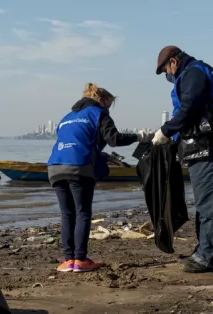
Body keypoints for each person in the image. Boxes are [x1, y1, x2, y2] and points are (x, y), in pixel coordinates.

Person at [152, 45, 213, 273]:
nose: (168, 76)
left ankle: (209, 256)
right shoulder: (202, 71)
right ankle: (204, 249)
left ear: (173, 62)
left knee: (210, 203)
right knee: (211, 201)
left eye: (166, 71)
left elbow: (189, 108)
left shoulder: (193, 73)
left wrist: (165, 131)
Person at [47, 83, 149, 273]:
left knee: (67, 214)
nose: (108, 109)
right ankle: (80, 260)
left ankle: (68, 260)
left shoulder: (66, 118)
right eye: (109, 105)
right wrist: (139, 136)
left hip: (55, 166)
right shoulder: (98, 113)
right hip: (79, 165)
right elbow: (114, 139)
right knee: (83, 213)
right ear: (101, 100)